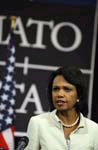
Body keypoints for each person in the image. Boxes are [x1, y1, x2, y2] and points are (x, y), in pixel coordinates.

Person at [25, 66, 98, 150]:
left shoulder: (94, 130)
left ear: (79, 94)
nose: (59, 94)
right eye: (55, 89)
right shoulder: (38, 123)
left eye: (67, 89)